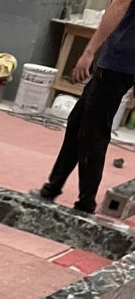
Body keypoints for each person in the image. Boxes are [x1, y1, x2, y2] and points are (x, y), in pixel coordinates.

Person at [36, 0, 135, 213]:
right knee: (77, 122)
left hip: (120, 59)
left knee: (93, 132)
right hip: (122, 57)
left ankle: (85, 204)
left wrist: (89, 51)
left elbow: (119, 4)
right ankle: (51, 188)